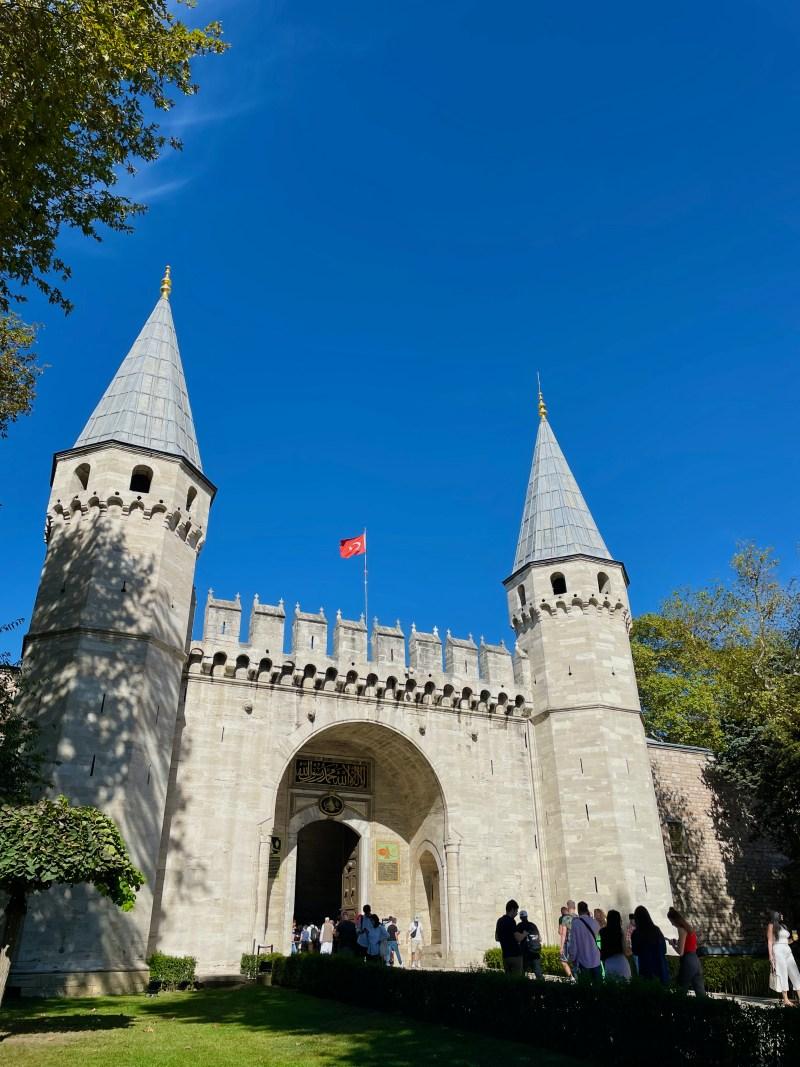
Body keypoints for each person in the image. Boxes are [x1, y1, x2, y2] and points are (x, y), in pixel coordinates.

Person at [667, 907, 705, 996]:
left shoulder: (681, 929)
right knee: (700, 992)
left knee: (681, 989)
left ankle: (680, 1009)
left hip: (688, 961)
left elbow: (680, 952)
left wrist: (672, 944)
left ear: (675, 920)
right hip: (696, 960)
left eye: (671, 921)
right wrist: (677, 942)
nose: (672, 924)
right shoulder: (689, 928)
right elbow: (690, 944)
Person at [767, 911, 800, 1007]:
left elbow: (786, 941)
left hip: (787, 949)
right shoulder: (771, 925)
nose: (782, 915)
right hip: (777, 950)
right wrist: (770, 956)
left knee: (795, 973)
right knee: (783, 974)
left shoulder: (783, 926)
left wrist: (793, 940)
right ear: (776, 916)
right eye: (781, 914)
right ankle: (786, 1000)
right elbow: (770, 941)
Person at [631, 905, 669, 984]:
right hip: (660, 965)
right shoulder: (656, 930)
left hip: (646, 966)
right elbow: (664, 949)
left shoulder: (636, 933)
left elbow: (635, 951)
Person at [567, 901, 602, 981]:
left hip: (583, 961)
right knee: (599, 988)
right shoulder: (594, 922)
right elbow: (597, 938)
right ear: (587, 909)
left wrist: (572, 958)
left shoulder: (575, 923)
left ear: (578, 911)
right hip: (596, 959)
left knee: (585, 989)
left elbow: (573, 944)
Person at [495, 899, 526, 976]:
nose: (516, 913)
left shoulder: (499, 921)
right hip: (515, 955)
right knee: (517, 981)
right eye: (516, 911)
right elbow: (518, 938)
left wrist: (506, 938)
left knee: (509, 981)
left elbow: (497, 938)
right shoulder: (511, 921)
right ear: (512, 909)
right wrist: (524, 934)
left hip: (505, 956)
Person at [599, 909, 631, 981]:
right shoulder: (620, 931)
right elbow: (625, 951)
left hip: (609, 963)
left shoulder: (602, 932)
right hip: (621, 961)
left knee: (612, 988)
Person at [517, 908, 543, 979]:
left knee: (522, 971)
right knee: (538, 972)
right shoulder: (533, 925)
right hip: (536, 951)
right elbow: (540, 938)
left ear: (520, 917)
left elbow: (517, 939)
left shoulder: (519, 926)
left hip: (526, 951)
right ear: (527, 916)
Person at [558, 903, 575, 980]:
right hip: (577, 943)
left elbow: (561, 932)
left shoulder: (562, 918)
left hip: (567, 942)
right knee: (575, 961)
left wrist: (561, 947)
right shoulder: (576, 917)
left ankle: (572, 978)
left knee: (563, 961)